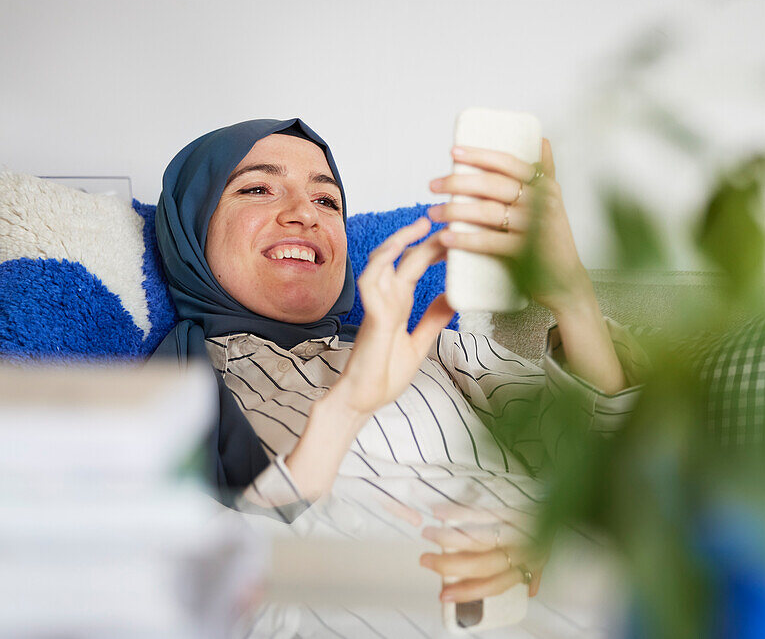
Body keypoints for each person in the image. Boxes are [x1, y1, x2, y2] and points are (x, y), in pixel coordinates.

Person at [153, 118, 646, 614]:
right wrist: (345, 409)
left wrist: (571, 296)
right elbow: (196, 585)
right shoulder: (167, 392)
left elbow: (620, 458)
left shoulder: (429, 346)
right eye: (259, 188)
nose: (306, 214)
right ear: (191, 223)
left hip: (602, 586)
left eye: (327, 201)